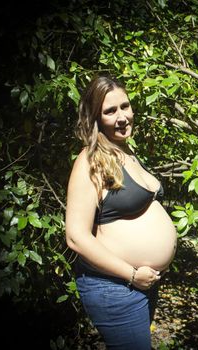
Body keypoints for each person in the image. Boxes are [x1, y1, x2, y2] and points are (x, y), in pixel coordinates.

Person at [65, 75, 177, 349]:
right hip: (114, 286)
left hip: (140, 283)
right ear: (95, 118)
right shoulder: (89, 161)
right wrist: (130, 274)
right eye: (110, 111)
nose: (122, 117)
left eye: (124, 106)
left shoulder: (125, 151)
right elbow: (76, 237)